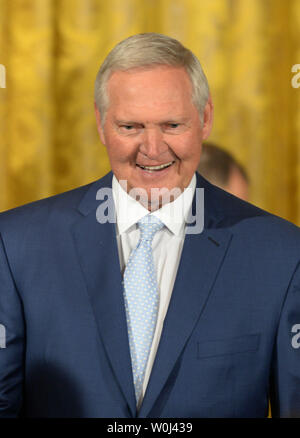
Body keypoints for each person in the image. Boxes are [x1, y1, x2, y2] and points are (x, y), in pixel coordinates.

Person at [0, 33, 300, 418]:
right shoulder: (18, 245)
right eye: (130, 127)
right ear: (100, 122)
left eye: (172, 125)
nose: (153, 148)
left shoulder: (281, 254)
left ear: (205, 119)